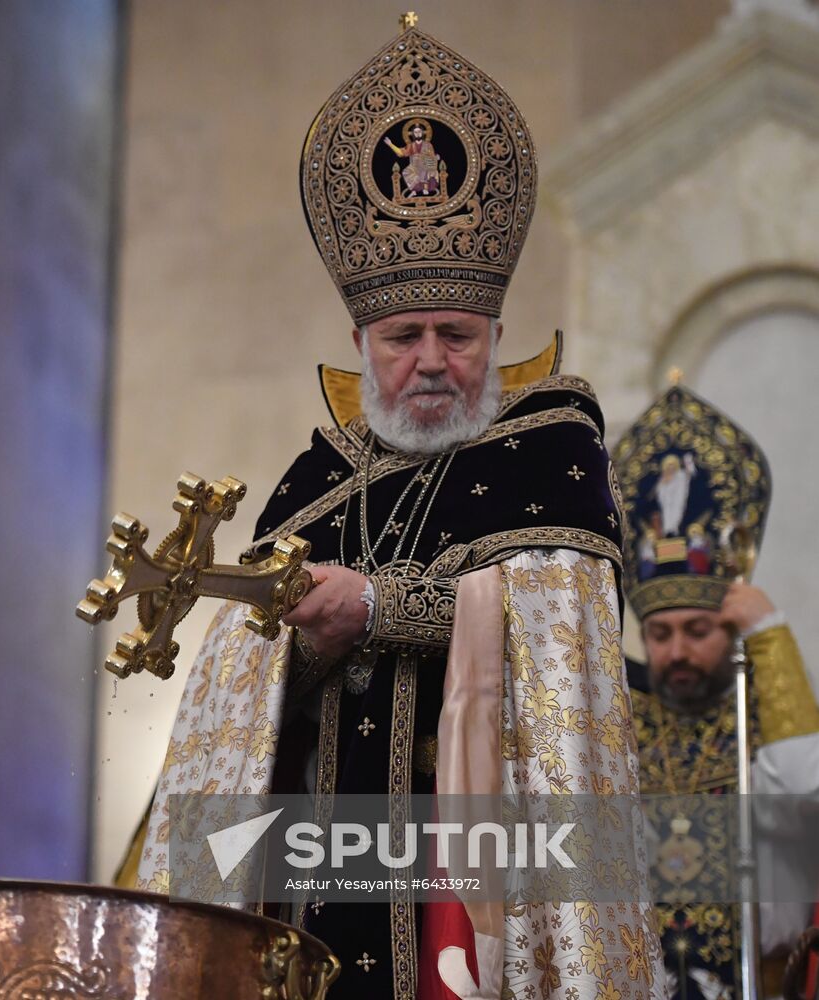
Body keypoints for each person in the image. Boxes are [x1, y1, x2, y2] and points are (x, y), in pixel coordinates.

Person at [129, 16, 663, 1000]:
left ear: (497, 328)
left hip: (469, 895)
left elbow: (562, 642)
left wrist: (376, 609)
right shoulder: (315, 474)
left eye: (456, 334)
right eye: (401, 334)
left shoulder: (551, 445)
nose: (428, 360)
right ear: (357, 335)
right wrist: (293, 639)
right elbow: (231, 690)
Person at [615, 383, 819, 1000]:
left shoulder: (757, 710)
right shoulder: (618, 716)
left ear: (728, 624)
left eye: (697, 630)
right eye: (661, 633)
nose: (677, 651)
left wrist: (772, 639)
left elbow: (808, 792)